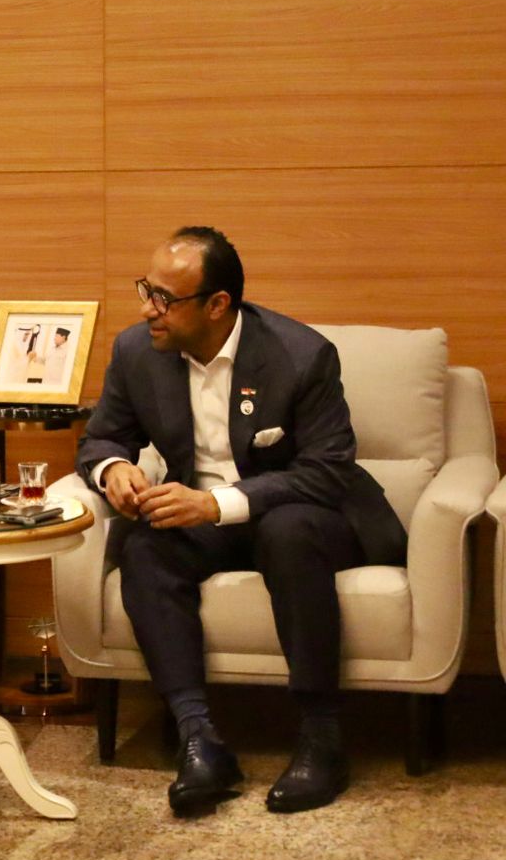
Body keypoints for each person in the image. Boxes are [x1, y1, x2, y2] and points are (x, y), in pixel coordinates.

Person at [77, 226, 406, 816]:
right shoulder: (136, 352)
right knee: (144, 544)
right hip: (203, 518)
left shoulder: (301, 356)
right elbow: (101, 438)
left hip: (304, 513)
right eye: (146, 290)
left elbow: (327, 471)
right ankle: (199, 738)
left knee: (288, 532)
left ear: (217, 304)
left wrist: (215, 504)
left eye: (164, 298)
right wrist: (114, 469)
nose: (147, 309)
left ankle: (322, 738)